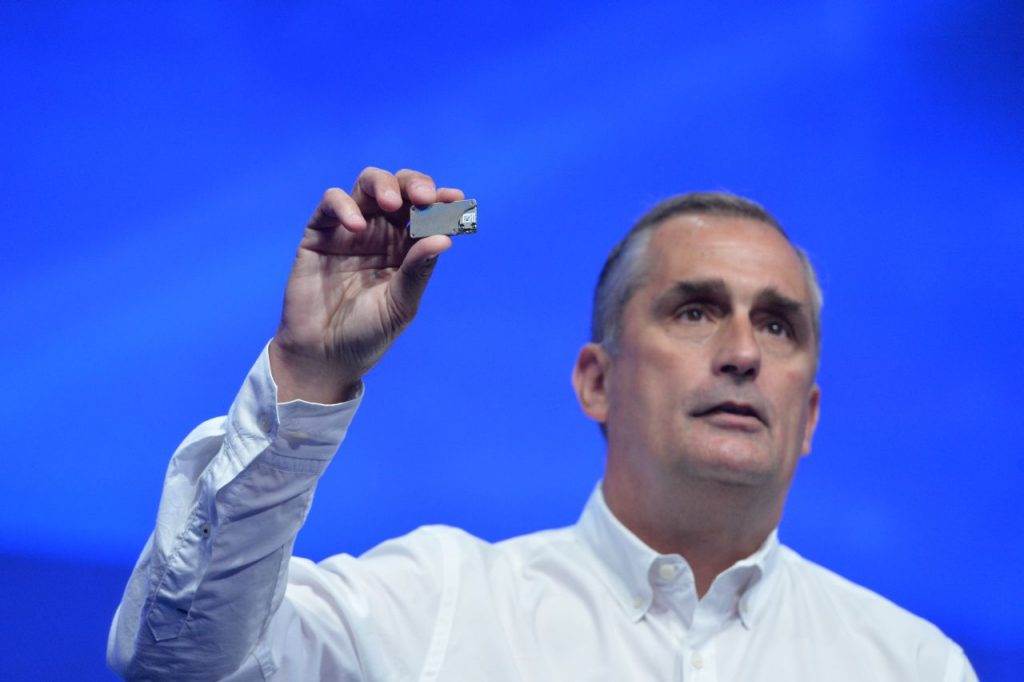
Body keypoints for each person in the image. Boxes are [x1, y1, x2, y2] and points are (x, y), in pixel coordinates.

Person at [107, 167, 977, 680]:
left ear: (810, 414)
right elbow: (183, 667)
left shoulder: (910, 664)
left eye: (779, 324)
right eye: (695, 312)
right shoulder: (438, 606)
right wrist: (309, 373)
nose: (744, 352)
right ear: (596, 381)